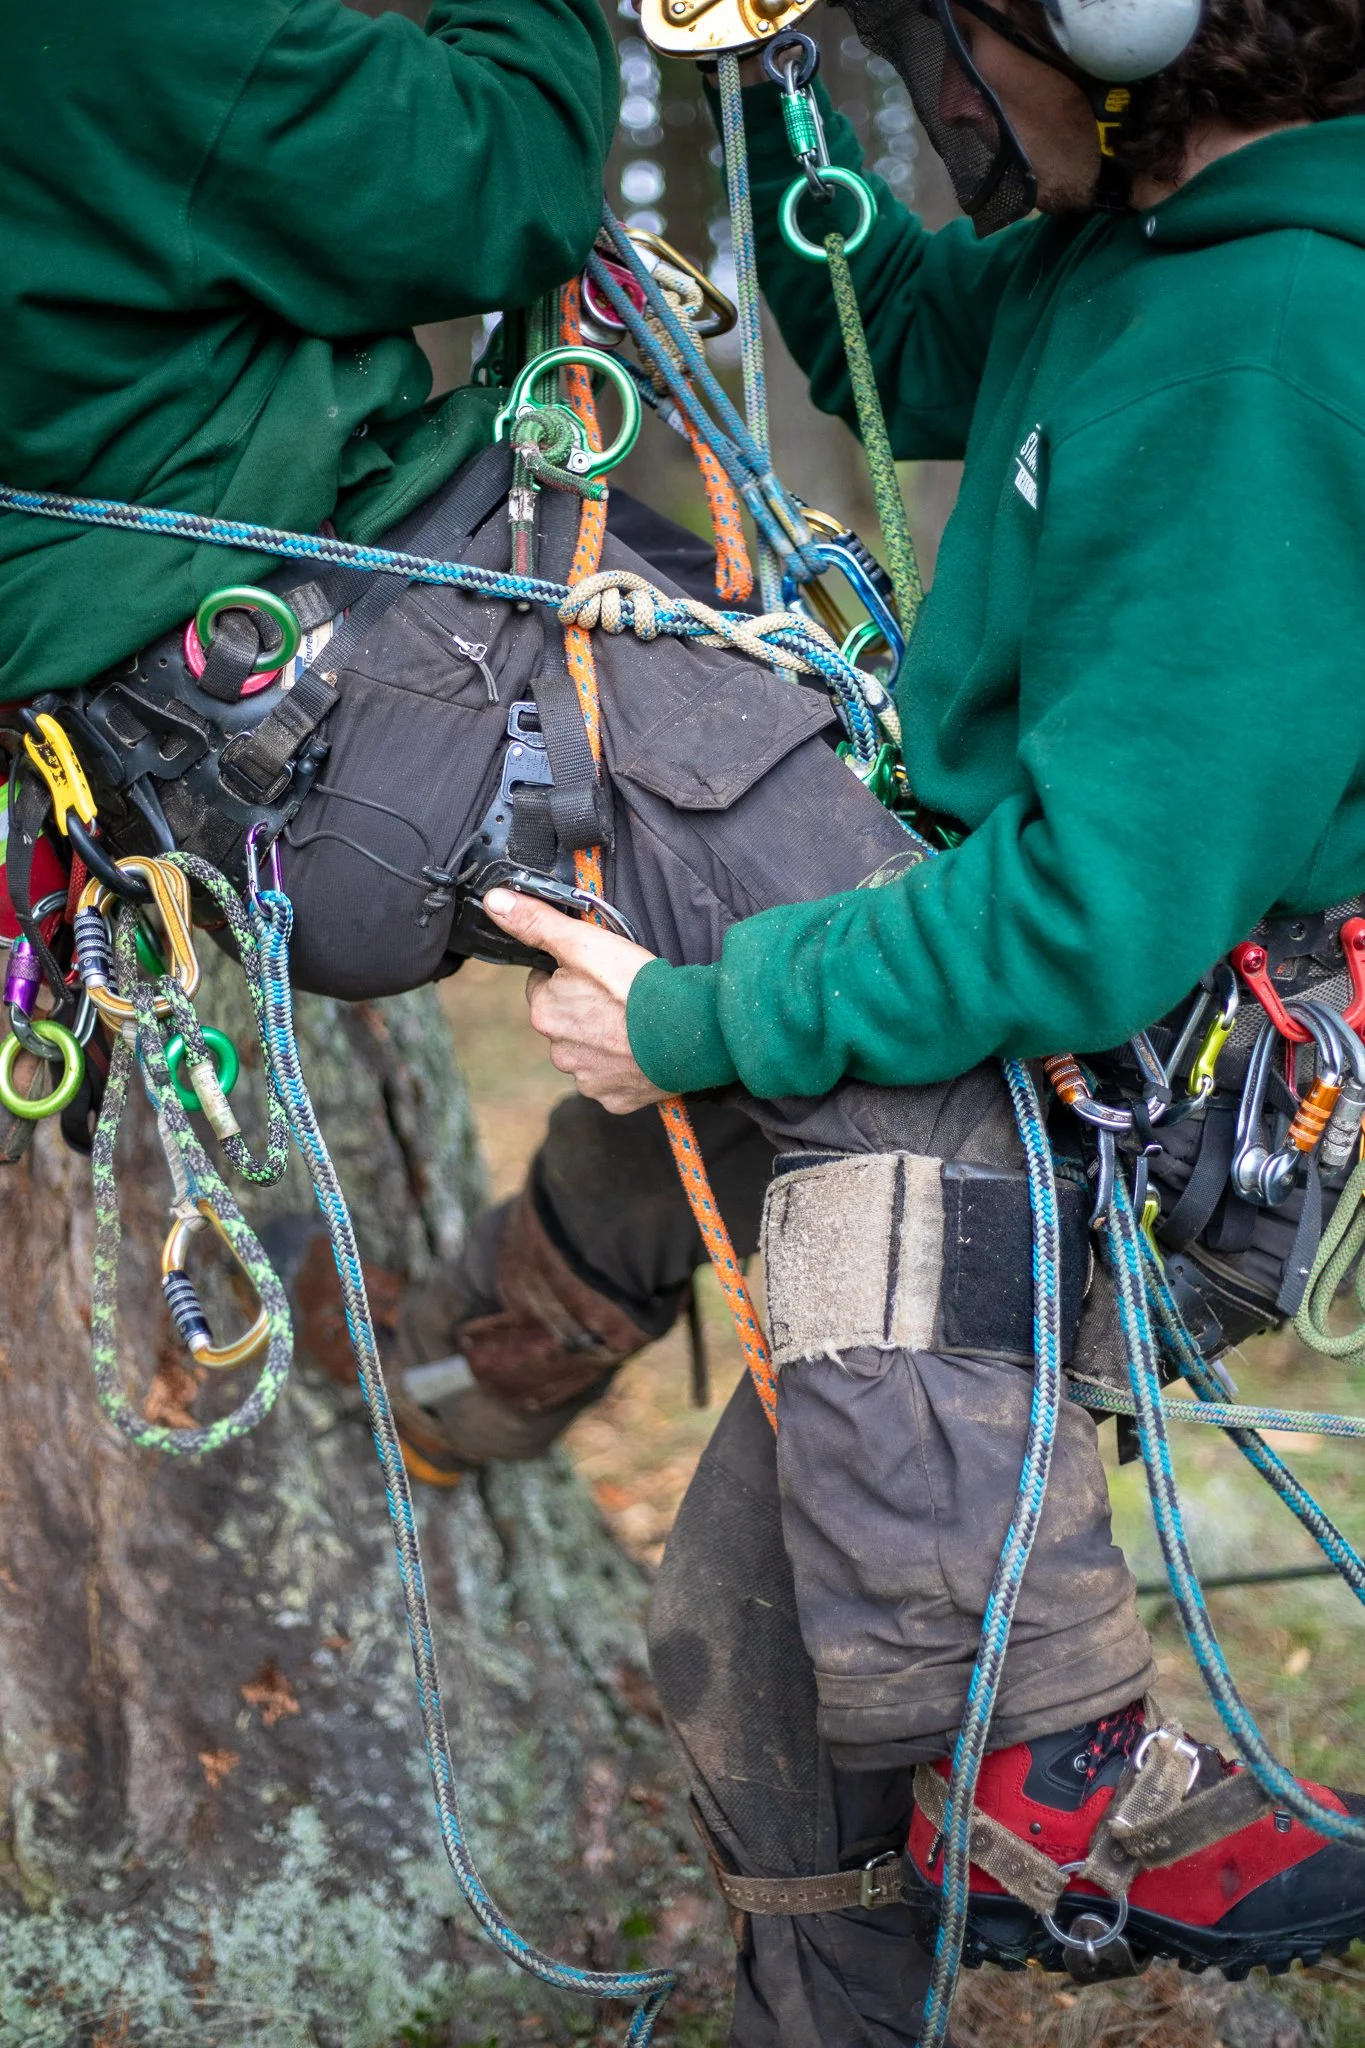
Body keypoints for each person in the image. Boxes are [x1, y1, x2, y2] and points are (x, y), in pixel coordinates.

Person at [3, 1, 1365, 2044]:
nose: (937, 98)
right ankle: (840, 1957)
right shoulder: (1136, 255)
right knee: (750, 1597)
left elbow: (1084, 918)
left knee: (798, 1494)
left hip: (1144, 1094)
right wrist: (765, 75)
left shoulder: (1266, 343)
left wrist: (710, 1015)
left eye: (938, 46)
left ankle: (1043, 1774)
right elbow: (879, 328)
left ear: (1117, 37)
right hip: (1034, 1006)